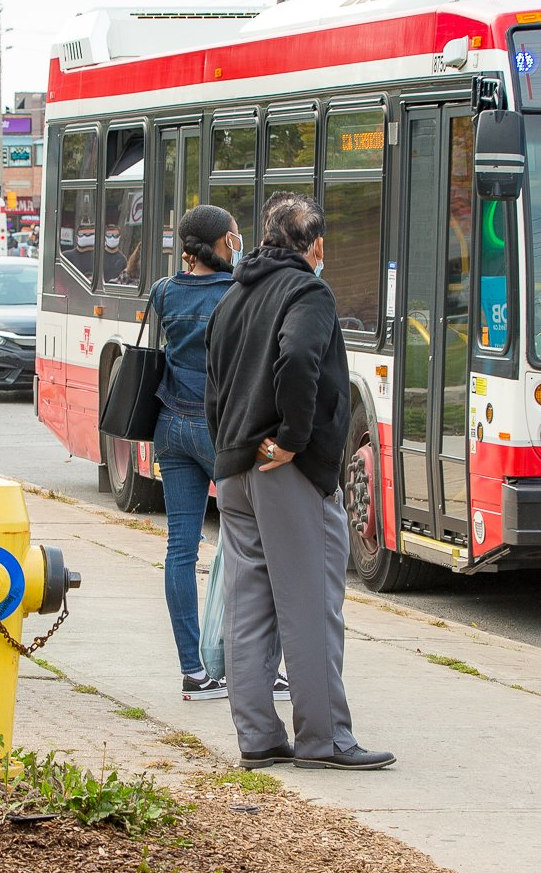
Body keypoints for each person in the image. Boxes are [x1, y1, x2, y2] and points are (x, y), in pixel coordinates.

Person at [206, 191, 395, 771]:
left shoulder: (236, 293)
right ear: (314, 245)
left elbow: (213, 379)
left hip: (236, 468)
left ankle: (259, 737)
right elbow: (298, 358)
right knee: (311, 604)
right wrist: (291, 437)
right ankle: (325, 739)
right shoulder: (307, 291)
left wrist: (235, 440)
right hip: (282, 471)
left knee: (248, 607)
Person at [154, 205, 269, 702]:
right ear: (223, 241)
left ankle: (193, 672)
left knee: (180, 550)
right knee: (248, 546)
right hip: (216, 430)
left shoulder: (164, 292)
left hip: (169, 426)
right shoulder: (233, 295)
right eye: (234, 238)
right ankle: (248, 664)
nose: (238, 244)